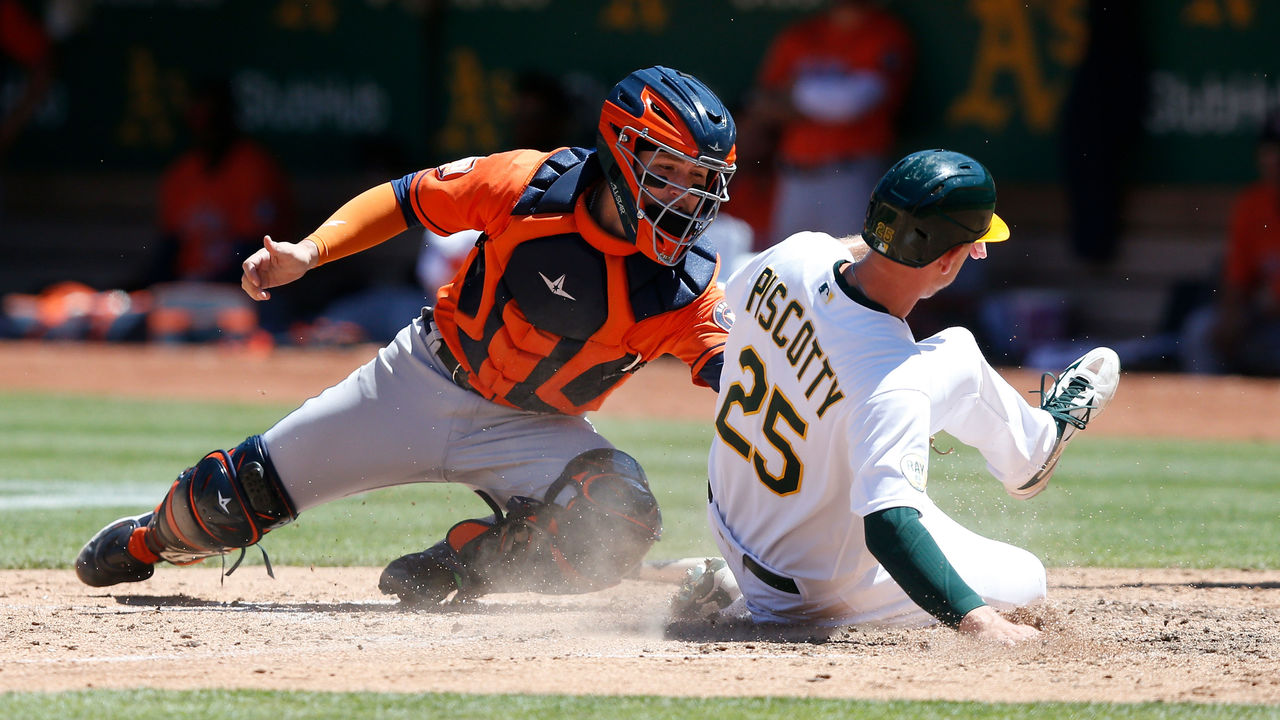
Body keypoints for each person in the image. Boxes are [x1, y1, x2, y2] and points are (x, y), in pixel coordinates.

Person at [74, 66, 739, 607]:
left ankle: (459, 566)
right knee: (230, 498)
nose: (686, 197)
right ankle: (147, 541)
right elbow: (404, 198)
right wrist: (310, 252)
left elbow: (745, 382)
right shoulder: (529, 187)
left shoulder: (689, 290)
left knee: (616, 522)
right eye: (669, 171)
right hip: (421, 380)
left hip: (536, 428)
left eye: (700, 181)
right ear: (624, 152)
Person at [674, 149, 1120, 644]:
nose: (978, 253)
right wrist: (981, 623)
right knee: (1026, 579)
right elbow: (890, 528)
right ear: (949, 259)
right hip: (811, 593)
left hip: (733, 519)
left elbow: (738, 318)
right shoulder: (892, 382)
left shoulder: (792, 253)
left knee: (957, 354)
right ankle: (744, 596)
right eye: (973, 243)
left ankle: (1035, 445)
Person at [752, 0, 913, 247]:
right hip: (795, 176)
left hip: (850, 175)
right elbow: (764, 102)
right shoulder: (801, 34)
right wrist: (822, 101)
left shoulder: (883, 31)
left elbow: (856, 102)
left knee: (849, 266)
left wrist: (796, 94)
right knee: (785, 267)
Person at [1179, 110, 1280, 376]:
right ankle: (1207, 413)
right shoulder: (1252, 205)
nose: (1276, 159)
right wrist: (1232, 315)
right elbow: (1236, 281)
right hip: (1264, 327)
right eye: (1271, 150)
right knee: (1201, 330)